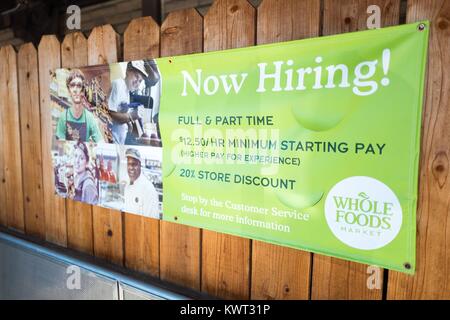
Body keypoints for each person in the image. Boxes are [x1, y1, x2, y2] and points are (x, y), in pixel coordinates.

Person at [56, 69, 104, 142]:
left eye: (79, 85)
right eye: (72, 85)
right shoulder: (63, 117)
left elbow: (101, 142)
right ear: (69, 90)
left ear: (83, 90)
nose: (75, 90)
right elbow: (60, 145)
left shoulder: (89, 118)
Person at [108, 61, 148, 145]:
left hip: (120, 140)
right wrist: (131, 116)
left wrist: (129, 123)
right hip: (112, 138)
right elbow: (110, 113)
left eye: (140, 81)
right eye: (136, 77)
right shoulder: (118, 84)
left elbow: (121, 112)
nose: (137, 82)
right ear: (127, 71)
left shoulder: (127, 91)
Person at [123, 148, 159, 219]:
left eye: (134, 164)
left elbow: (151, 220)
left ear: (140, 165)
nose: (130, 168)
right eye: (128, 164)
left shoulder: (148, 189)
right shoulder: (127, 186)